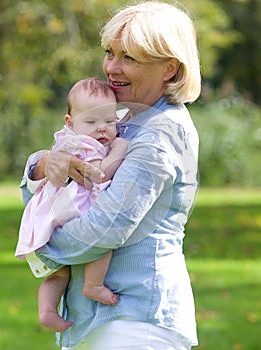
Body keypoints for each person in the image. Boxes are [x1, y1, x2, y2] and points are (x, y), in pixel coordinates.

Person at [20, 1, 201, 349]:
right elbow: (53, 191)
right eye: (110, 53)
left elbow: (102, 230)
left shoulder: (161, 133)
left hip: (135, 318)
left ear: (169, 68)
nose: (112, 68)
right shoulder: (122, 120)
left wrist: (36, 241)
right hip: (98, 320)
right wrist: (41, 164)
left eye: (129, 58)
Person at [16, 78, 129, 332]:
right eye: (91, 122)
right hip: (74, 206)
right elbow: (100, 174)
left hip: (56, 209)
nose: (101, 129)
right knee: (104, 242)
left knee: (59, 273)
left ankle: (46, 311)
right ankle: (94, 284)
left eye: (109, 121)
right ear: (70, 122)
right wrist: (119, 149)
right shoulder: (83, 144)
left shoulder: (68, 138)